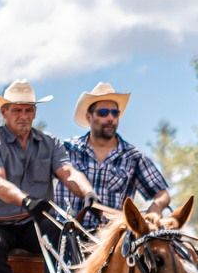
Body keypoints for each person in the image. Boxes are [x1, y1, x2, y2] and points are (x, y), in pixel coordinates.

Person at [0, 80, 94, 273]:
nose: (23, 115)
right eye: (17, 110)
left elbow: (68, 172)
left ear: (35, 113)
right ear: (4, 112)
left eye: (28, 110)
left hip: (32, 221)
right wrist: (26, 200)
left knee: (63, 235)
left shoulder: (50, 143)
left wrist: (87, 193)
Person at [58, 81, 170, 233]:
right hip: (67, 236)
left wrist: (154, 210)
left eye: (115, 113)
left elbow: (162, 194)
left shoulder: (133, 157)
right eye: (103, 113)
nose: (110, 118)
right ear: (89, 117)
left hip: (109, 240)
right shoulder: (66, 149)